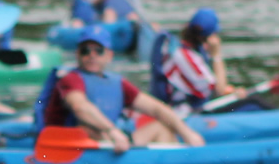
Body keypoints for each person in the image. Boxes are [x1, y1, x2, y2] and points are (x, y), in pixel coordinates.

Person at [37, 26, 203, 149]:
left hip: (109, 141)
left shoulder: (117, 82)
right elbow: (80, 107)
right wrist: (112, 131)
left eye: (98, 50)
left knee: (162, 128)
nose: (91, 55)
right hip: (70, 145)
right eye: (85, 50)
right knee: (87, 128)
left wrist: (187, 133)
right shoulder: (70, 79)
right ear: (77, 54)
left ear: (109, 55)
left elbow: (157, 109)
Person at [156, 8, 242, 115]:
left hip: (191, 107)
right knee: (254, 102)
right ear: (208, 37)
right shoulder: (186, 57)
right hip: (184, 113)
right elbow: (219, 90)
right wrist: (216, 54)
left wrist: (232, 92)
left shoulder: (185, 50)